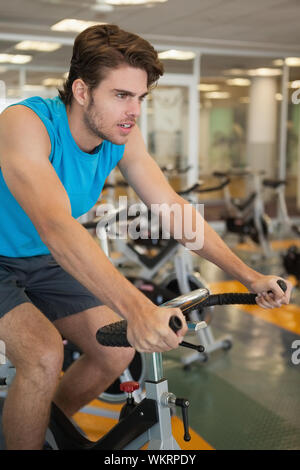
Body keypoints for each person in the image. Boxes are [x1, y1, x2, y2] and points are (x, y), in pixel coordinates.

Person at [0, 24, 292, 450]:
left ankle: (46, 424)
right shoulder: (26, 123)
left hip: (41, 258)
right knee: (44, 354)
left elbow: (171, 206)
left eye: (140, 98)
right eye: (121, 95)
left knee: (115, 351)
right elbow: (57, 226)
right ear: (82, 91)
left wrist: (249, 275)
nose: (134, 110)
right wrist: (137, 309)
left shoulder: (122, 135)